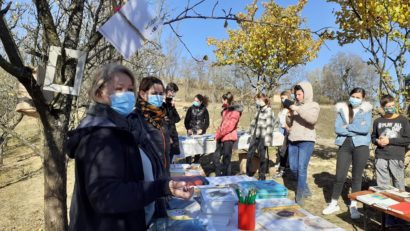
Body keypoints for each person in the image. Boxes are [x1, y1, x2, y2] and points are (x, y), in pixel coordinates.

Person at [65, 64, 193, 231]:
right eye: (119, 89)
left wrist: (163, 186)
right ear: (99, 94)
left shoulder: (116, 129)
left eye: (130, 89)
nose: (126, 95)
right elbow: (108, 196)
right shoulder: (101, 136)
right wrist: (160, 188)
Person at [322, 88, 372, 219]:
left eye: (358, 97)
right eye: (353, 96)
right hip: (344, 145)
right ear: (350, 96)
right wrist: (355, 129)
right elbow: (338, 128)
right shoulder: (342, 109)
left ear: (363, 99)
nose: (355, 98)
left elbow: (365, 129)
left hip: (361, 146)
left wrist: (348, 127)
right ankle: (333, 203)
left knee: (357, 177)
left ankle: (353, 206)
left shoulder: (366, 110)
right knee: (339, 176)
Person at [286, 82, 320, 206]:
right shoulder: (295, 105)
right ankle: (305, 189)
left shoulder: (314, 105)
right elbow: (290, 123)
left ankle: (299, 196)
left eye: (299, 94)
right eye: (296, 94)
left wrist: (297, 109)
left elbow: (312, 120)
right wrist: (289, 115)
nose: (297, 97)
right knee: (293, 168)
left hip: (306, 140)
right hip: (293, 139)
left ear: (306, 93)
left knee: (301, 168)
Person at [372, 95, 410, 191]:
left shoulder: (403, 120)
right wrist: (377, 141)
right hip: (380, 156)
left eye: (393, 105)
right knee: (382, 186)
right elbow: (373, 137)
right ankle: (384, 205)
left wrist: (389, 141)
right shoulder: (377, 121)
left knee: (398, 185)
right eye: (388, 106)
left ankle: (400, 205)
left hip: (396, 157)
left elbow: (407, 139)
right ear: (383, 107)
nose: (391, 108)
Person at [135, 76, 171, 170]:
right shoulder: (135, 118)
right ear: (143, 94)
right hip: (147, 177)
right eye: (154, 93)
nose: (158, 97)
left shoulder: (161, 116)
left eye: (160, 93)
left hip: (164, 174)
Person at [214, 92, 243, 176]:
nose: (222, 102)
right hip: (221, 136)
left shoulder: (235, 111)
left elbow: (229, 126)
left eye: (222, 100)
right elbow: (223, 124)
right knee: (216, 157)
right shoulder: (225, 110)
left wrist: (219, 134)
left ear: (226, 100)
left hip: (228, 137)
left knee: (226, 159)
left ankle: (227, 177)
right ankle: (219, 175)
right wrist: (218, 132)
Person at [246, 93, 273, 180]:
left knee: (262, 157)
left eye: (257, 100)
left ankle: (262, 175)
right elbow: (254, 123)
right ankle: (248, 173)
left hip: (263, 136)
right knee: (250, 154)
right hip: (255, 135)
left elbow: (269, 126)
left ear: (261, 99)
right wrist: (249, 132)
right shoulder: (258, 109)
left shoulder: (268, 110)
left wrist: (267, 141)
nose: (256, 102)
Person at [184, 94, 210, 163]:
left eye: (197, 101)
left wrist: (202, 129)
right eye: (194, 100)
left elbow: (207, 122)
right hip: (191, 131)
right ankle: (188, 162)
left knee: (197, 149)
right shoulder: (190, 109)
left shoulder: (204, 110)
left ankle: (196, 163)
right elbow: (186, 121)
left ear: (201, 102)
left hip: (200, 133)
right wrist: (188, 129)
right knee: (189, 148)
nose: (195, 102)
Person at [274, 90, 292, 178]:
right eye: (281, 98)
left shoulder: (291, 108)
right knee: (281, 150)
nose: (282, 100)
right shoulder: (282, 109)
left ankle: (284, 168)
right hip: (281, 130)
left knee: (284, 150)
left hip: (287, 131)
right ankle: (282, 165)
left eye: (284, 98)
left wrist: (287, 127)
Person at [163, 83, 181, 163]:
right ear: (169, 91)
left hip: (173, 133)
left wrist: (169, 119)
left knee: (170, 158)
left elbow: (177, 118)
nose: (174, 94)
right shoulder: (160, 103)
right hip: (165, 135)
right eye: (173, 92)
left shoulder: (171, 104)